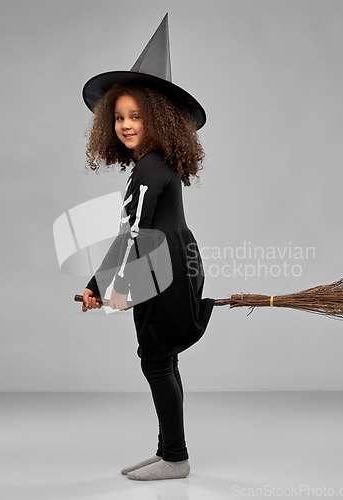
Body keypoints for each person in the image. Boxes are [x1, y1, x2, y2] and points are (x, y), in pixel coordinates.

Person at [80, 15, 214, 481]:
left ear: (161, 119)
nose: (125, 124)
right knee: (163, 360)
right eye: (119, 116)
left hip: (163, 270)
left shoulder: (148, 172)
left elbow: (130, 238)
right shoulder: (159, 166)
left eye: (137, 116)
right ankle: (169, 451)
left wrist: (99, 284)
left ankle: (175, 458)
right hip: (175, 263)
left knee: (156, 360)